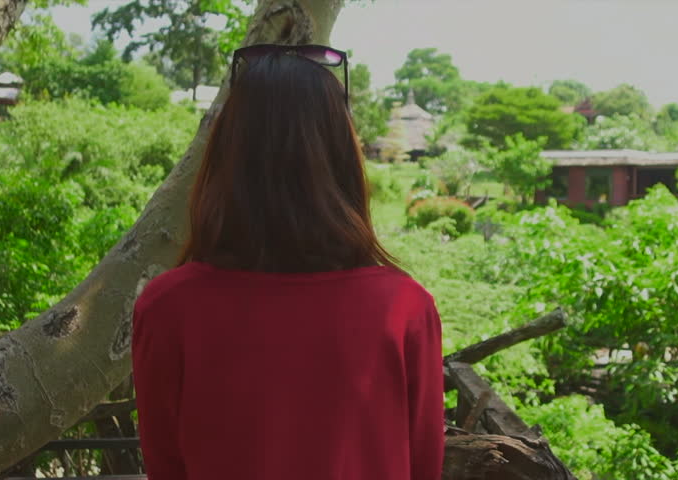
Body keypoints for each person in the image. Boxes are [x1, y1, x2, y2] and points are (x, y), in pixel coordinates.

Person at [131, 44, 445, 480]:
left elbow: (167, 467)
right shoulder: (405, 309)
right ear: (341, 156)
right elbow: (423, 465)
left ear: (226, 155)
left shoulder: (167, 309)